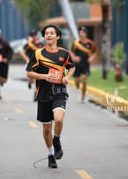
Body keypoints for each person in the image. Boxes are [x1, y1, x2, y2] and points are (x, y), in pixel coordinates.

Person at [26, 24, 75, 168]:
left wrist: (67, 78)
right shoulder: (38, 53)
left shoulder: (64, 53)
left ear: (57, 37)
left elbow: (71, 67)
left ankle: (57, 140)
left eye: (51, 33)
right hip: (43, 93)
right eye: (46, 33)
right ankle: (50, 154)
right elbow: (29, 73)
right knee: (47, 128)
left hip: (59, 91)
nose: (48, 35)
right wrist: (45, 76)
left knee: (59, 119)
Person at [70, 26, 96, 102]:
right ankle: (78, 83)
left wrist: (91, 58)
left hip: (85, 64)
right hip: (77, 64)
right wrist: (74, 57)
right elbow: (71, 52)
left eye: (83, 33)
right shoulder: (76, 43)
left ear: (86, 34)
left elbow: (94, 53)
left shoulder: (90, 43)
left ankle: (83, 96)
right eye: (80, 33)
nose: (81, 34)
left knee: (84, 80)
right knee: (77, 81)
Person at [20, 30, 44, 101]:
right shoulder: (29, 44)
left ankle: (35, 94)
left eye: (35, 35)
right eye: (32, 35)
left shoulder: (41, 44)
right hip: (31, 63)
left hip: (39, 63)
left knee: (36, 79)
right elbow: (22, 52)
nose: (34, 37)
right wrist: (26, 58)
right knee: (31, 78)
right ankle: (29, 82)